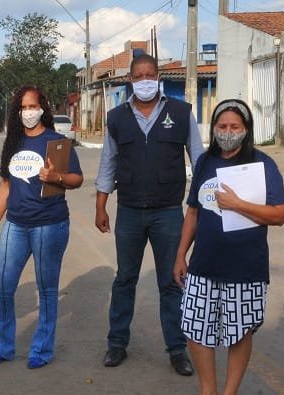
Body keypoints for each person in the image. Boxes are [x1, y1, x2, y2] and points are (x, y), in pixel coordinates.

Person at [168, 99, 284, 395]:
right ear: (213, 129)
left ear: (246, 130)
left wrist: (238, 203)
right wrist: (181, 254)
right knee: (195, 327)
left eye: (235, 127)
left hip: (245, 267)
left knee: (239, 332)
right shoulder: (205, 162)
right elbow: (193, 211)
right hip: (204, 263)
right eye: (222, 127)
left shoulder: (263, 166)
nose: (228, 133)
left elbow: (279, 214)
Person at [95, 53, 205, 375]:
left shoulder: (181, 113)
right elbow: (107, 163)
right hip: (128, 212)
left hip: (168, 213)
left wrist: (200, 203)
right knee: (124, 279)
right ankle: (117, 344)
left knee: (171, 282)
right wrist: (101, 205)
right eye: (138, 76)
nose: (144, 80)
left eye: (149, 75)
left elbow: (199, 160)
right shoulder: (116, 118)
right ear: (131, 80)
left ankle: (176, 349)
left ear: (158, 78)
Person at [0, 86, 83, 369]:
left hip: (49, 225)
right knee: (3, 286)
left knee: (47, 289)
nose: (28, 113)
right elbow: (5, 186)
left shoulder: (57, 142)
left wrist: (57, 176)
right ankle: (2, 347)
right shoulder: (13, 143)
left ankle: (41, 349)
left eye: (32, 107)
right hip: (15, 225)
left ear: (43, 108)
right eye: (23, 108)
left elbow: (76, 179)